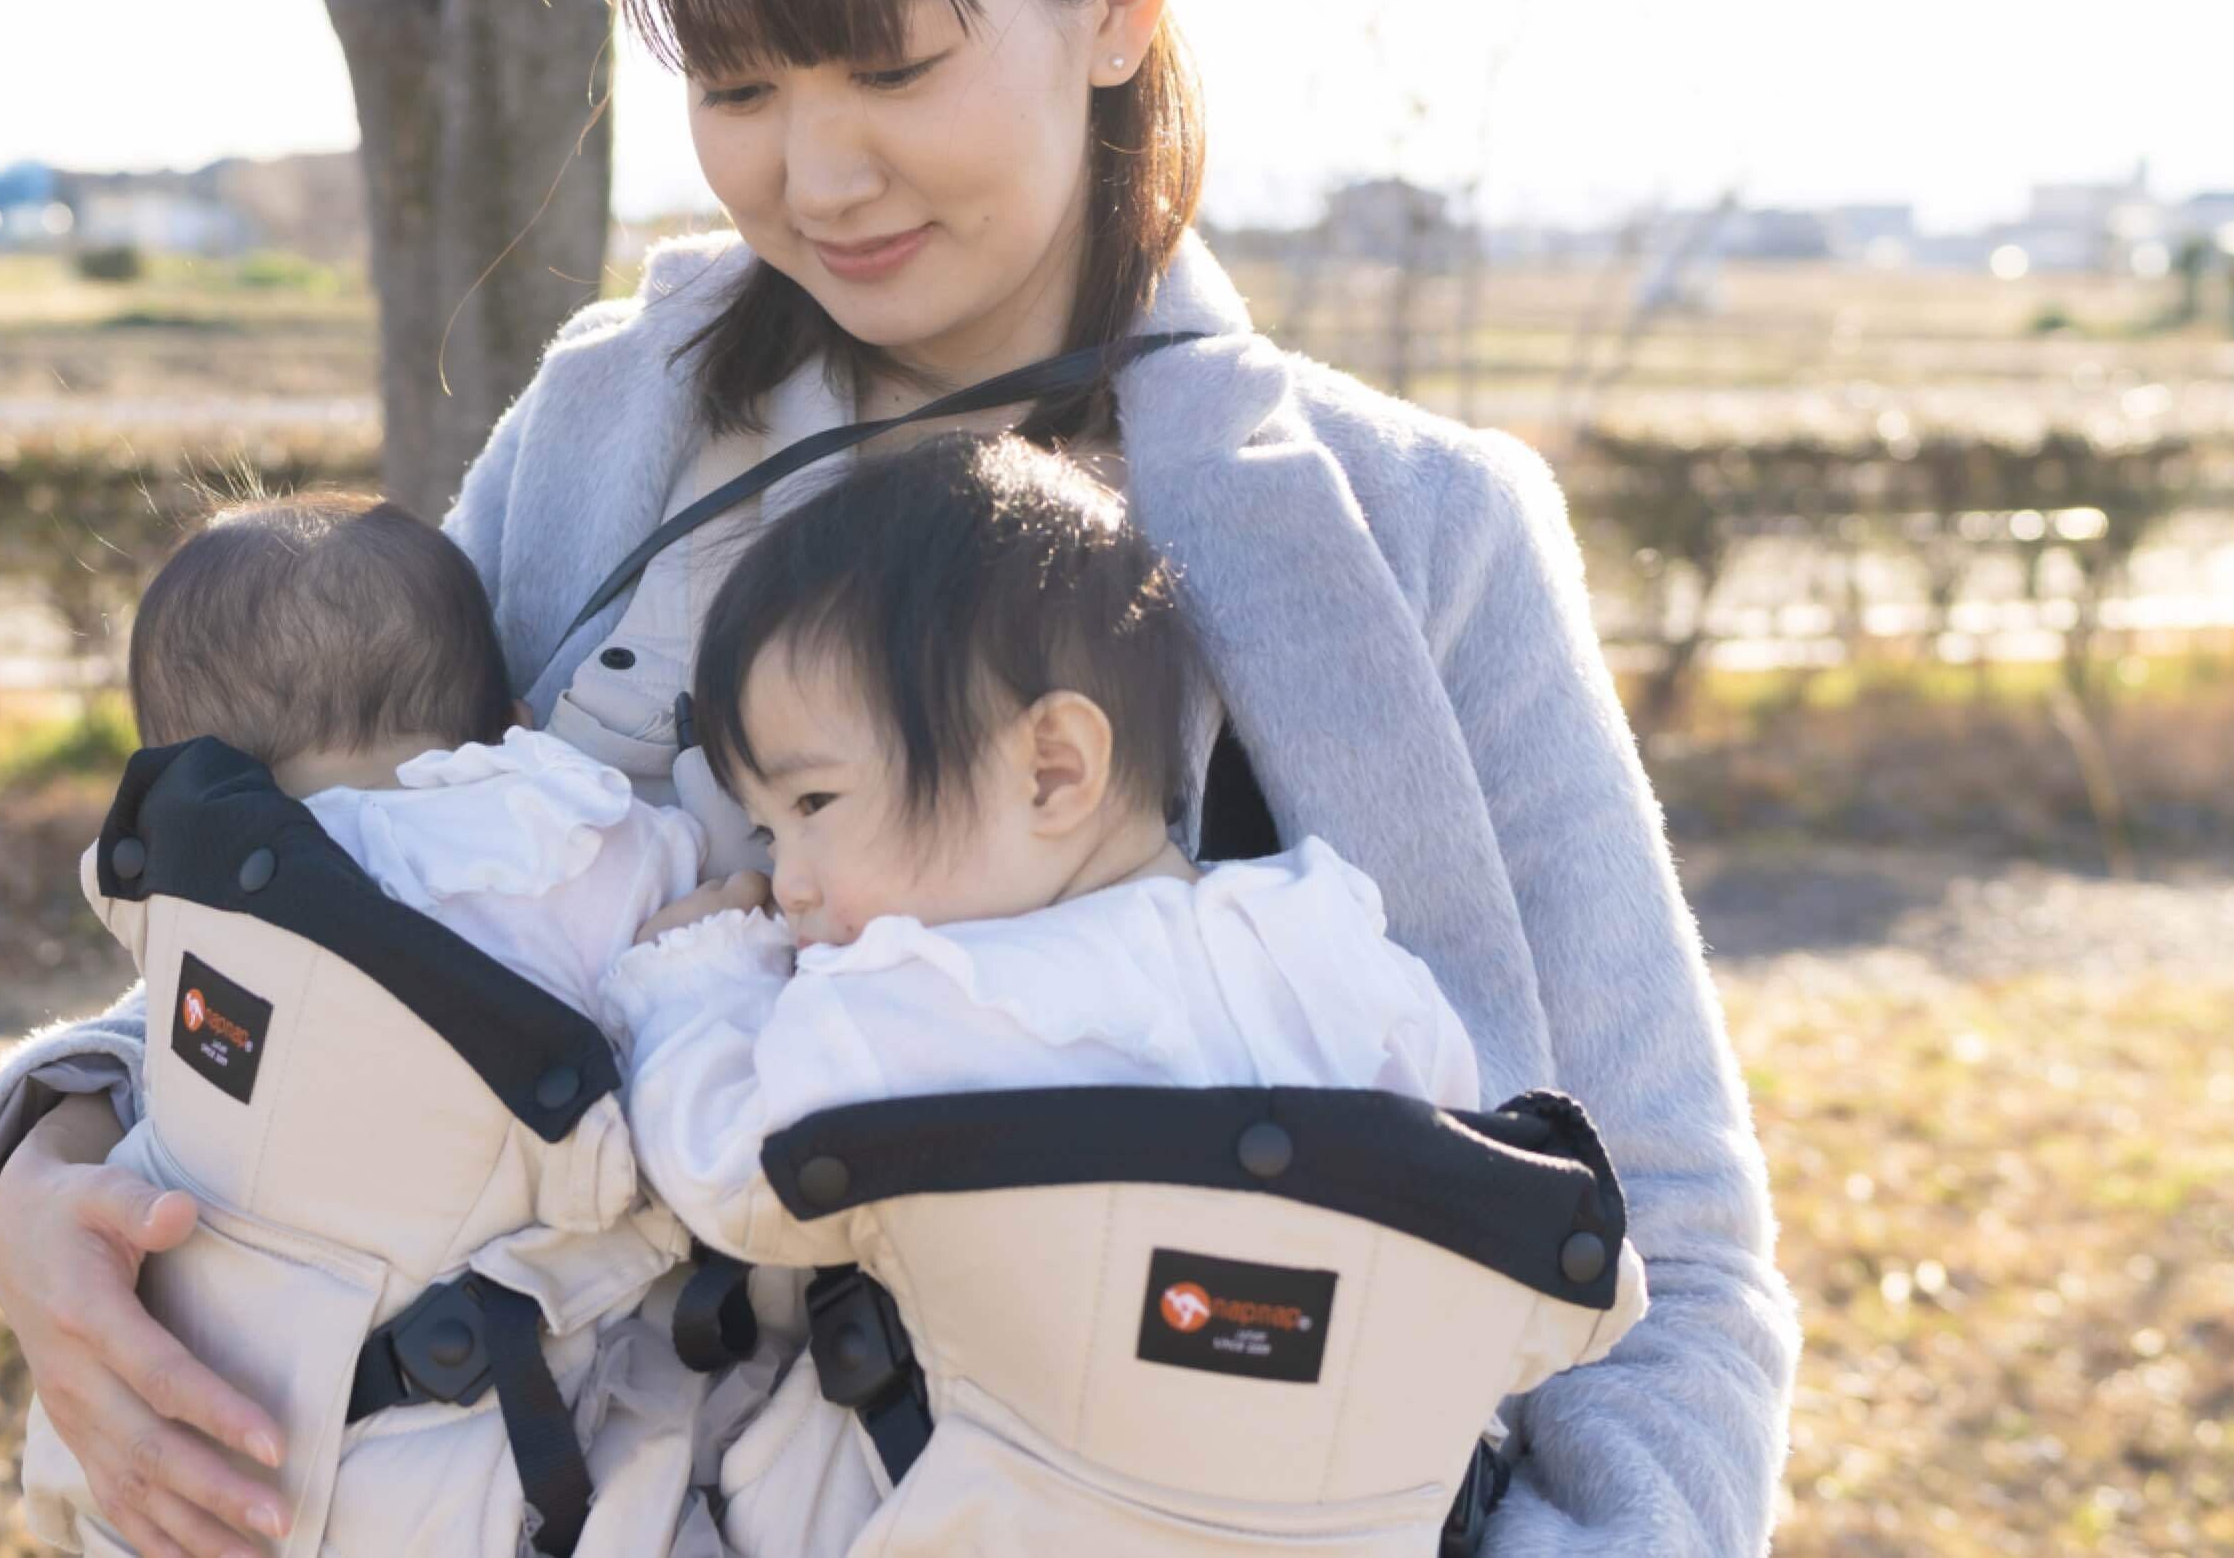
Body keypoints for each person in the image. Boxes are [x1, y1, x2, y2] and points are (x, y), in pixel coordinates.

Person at [0, 0, 1796, 1558]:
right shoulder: (614, 432)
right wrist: (52, 1175)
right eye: (739, 89)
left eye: (888, 64)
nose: (813, 180)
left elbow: (1663, 1248)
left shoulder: (1411, 531)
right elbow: (361, 904)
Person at [610, 432, 1645, 1555]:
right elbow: (1450, 1158)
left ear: (1053, 768)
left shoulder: (914, 1000)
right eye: (767, 828)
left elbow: (728, 1170)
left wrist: (695, 971)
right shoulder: (1325, 944)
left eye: (813, 803)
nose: (790, 878)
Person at [19, 492, 717, 1555]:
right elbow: (682, 950)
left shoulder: (173, 898)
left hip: (187, 1423)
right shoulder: (562, 841)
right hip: (477, 1447)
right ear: (513, 720)